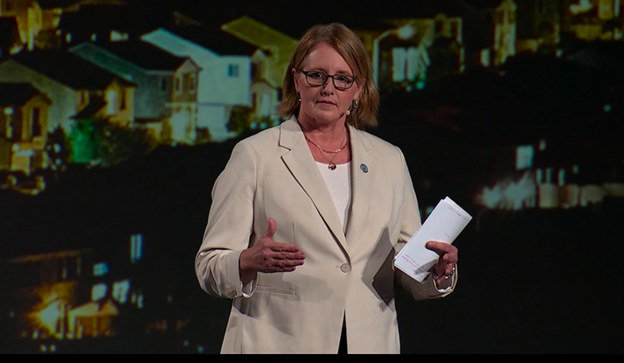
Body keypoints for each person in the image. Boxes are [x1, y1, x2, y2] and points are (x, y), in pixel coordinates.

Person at [194, 22, 459, 354]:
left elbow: (406, 267)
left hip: (369, 342)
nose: (328, 88)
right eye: (316, 75)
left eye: (342, 78)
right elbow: (209, 264)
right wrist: (246, 261)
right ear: (296, 80)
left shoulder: (389, 161)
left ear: (358, 89)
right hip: (278, 342)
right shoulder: (255, 156)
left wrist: (435, 270)